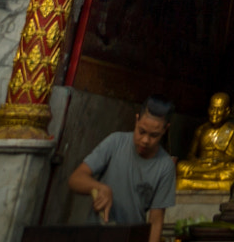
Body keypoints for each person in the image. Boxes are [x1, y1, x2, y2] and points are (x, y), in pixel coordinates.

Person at [70, 96, 176, 240]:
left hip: (130, 237)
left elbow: (156, 220)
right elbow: (75, 179)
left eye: (154, 135)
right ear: (136, 120)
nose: (145, 140)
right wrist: (99, 188)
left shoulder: (165, 166)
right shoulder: (115, 142)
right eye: (142, 131)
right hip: (96, 235)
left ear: (166, 129)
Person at [176, 91, 234, 192]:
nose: (214, 113)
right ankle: (212, 181)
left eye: (219, 109)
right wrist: (198, 161)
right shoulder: (201, 130)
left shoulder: (230, 129)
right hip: (202, 166)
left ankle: (194, 182)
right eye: (212, 108)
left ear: (227, 111)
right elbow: (190, 155)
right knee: (181, 166)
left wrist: (219, 162)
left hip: (218, 167)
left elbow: (233, 156)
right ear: (208, 109)